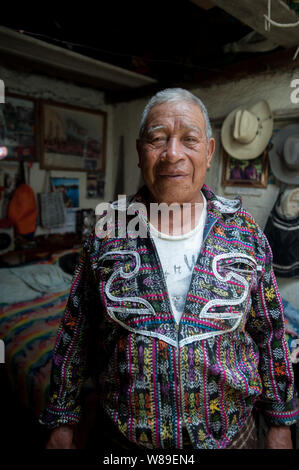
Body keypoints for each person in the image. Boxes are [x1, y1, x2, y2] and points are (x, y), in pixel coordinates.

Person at [40, 88, 299, 450]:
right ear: (139, 151)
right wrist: (62, 420)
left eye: (189, 140)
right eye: (158, 139)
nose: (172, 154)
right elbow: (75, 332)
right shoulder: (107, 233)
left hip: (232, 438)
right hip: (125, 443)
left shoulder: (245, 234)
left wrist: (281, 423)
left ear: (208, 152)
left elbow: (270, 335)